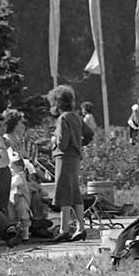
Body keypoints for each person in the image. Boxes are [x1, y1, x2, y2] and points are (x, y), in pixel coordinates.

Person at [50, 85, 87, 243]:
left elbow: (62, 142)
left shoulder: (62, 118)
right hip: (75, 157)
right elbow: (88, 134)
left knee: (64, 190)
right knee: (73, 192)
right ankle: (79, 226)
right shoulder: (76, 117)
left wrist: (54, 141)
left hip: (64, 157)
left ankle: (65, 229)